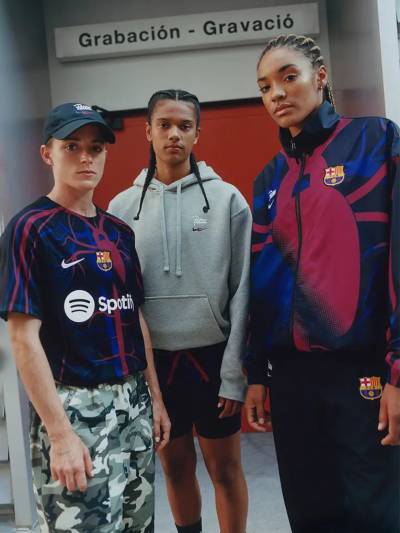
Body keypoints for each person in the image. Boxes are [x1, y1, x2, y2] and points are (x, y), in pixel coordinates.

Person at [244, 34, 400, 533]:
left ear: (321, 77)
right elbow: (262, 281)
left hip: (362, 370)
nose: (277, 94)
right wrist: (255, 372)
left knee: (375, 513)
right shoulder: (269, 178)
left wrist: (398, 372)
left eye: (289, 77)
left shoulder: (376, 141)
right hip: (291, 379)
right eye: (265, 87)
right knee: (310, 512)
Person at [0, 102, 170, 532]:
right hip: (75, 407)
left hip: (133, 402)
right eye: (71, 146)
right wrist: (59, 435)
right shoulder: (31, 229)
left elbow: (135, 317)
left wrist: (155, 399)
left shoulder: (119, 232)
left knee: (137, 525)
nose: (85, 157)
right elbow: (22, 339)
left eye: (95, 148)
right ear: (47, 154)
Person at [108, 89, 251, 533]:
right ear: (147, 132)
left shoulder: (228, 200)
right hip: (156, 367)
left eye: (184, 126)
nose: (174, 134)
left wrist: (235, 372)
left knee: (225, 470)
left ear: (197, 134)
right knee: (175, 467)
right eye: (164, 125)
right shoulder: (120, 209)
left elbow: (243, 291)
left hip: (212, 360)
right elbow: (122, 300)